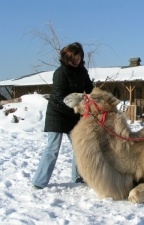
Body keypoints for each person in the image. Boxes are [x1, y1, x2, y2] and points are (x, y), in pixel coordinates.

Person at [32, 42, 94, 189]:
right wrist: (78, 103)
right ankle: (39, 182)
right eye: (75, 57)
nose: (78, 60)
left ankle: (78, 178)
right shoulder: (60, 73)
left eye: (79, 57)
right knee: (52, 148)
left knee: (78, 147)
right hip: (57, 113)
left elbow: (90, 89)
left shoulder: (82, 72)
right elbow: (60, 96)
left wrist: (98, 98)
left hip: (73, 115)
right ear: (67, 57)